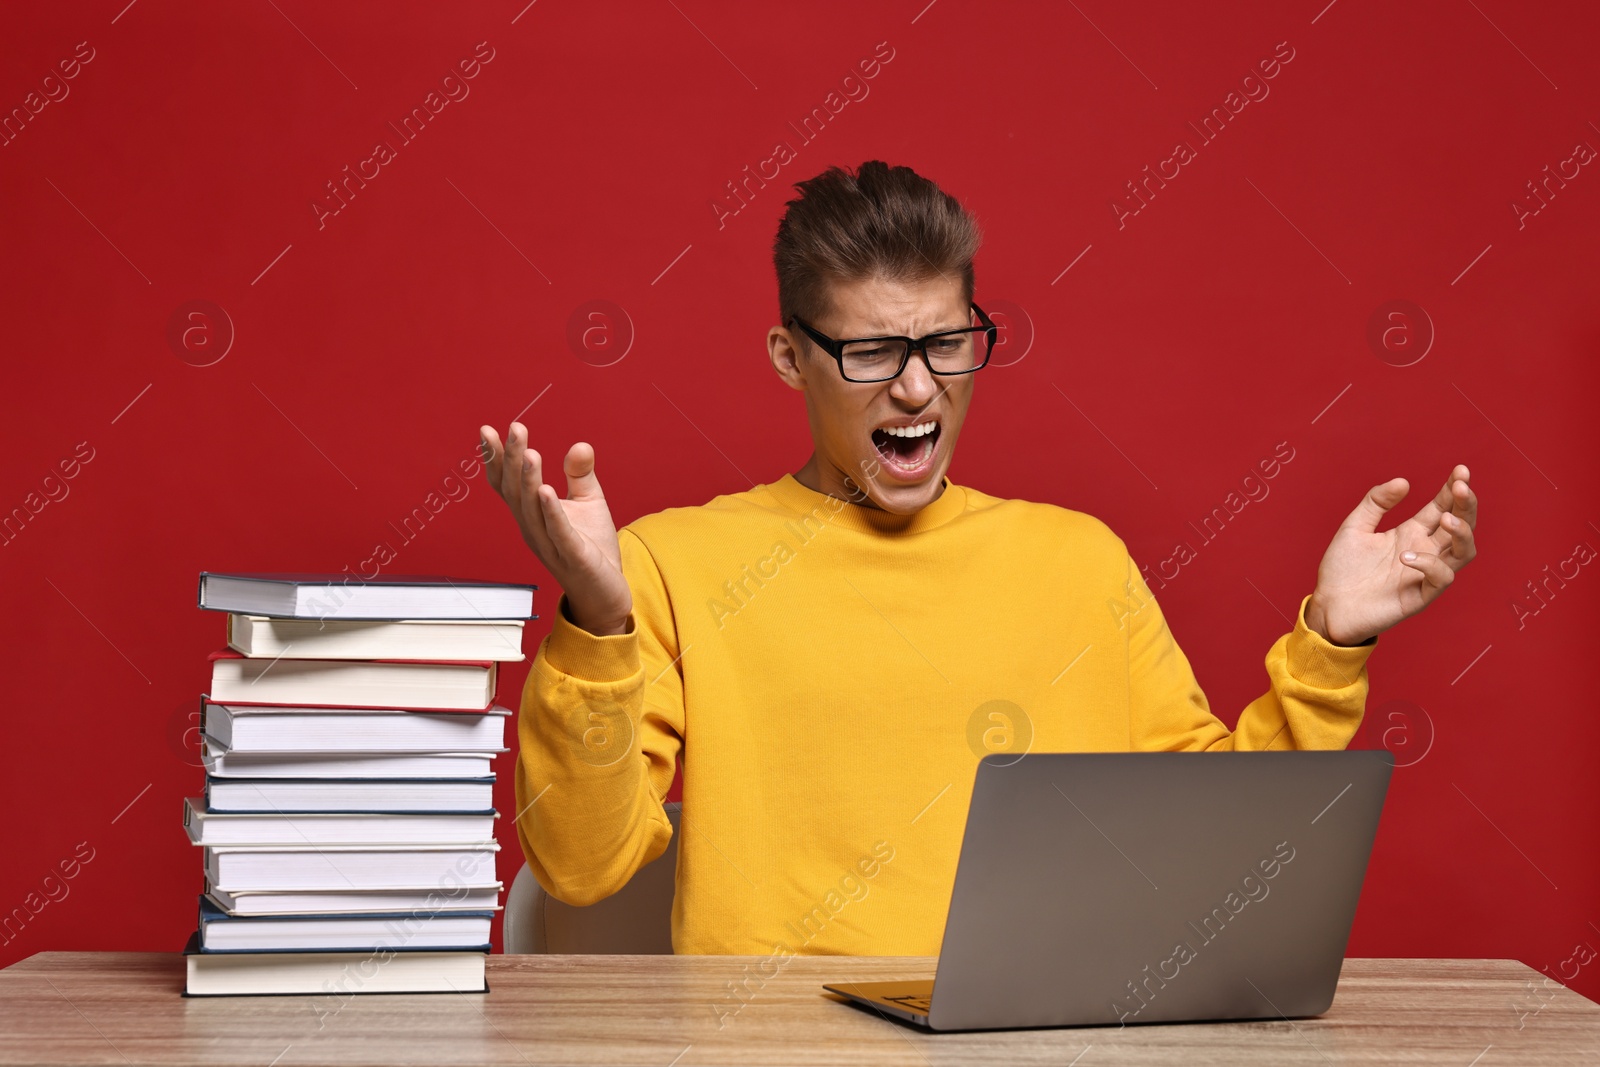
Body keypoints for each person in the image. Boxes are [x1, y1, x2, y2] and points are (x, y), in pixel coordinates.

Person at [478, 160, 1478, 956]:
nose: (917, 390)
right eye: (871, 354)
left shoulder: (1076, 561)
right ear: (791, 357)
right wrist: (598, 622)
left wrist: (1332, 638)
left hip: (1046, 1041)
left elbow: (1224, 849)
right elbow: (579, 866)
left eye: (947, 344)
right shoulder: (674, 563)